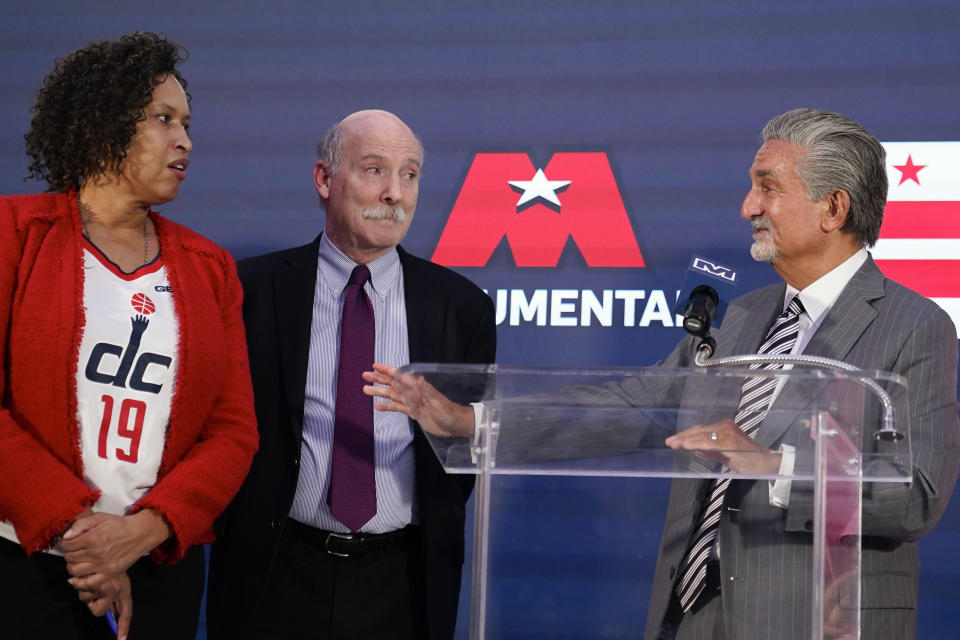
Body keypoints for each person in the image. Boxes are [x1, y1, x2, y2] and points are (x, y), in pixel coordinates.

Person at [367, 108, 960, 640]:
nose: (747, 207)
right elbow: (632, 405)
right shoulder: (744, 316)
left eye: (767, 188)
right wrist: (473, 422)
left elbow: (917, 496)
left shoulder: (915, 325)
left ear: (834, 207)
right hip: (692, 619)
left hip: (816, 622)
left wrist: (774, 465)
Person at [0, 32, 258, 640]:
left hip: (158, 567)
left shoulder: (210, 268)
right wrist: (86, 539)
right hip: (21, 563)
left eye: (187, 124)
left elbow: (233, 430)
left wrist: (142, 532)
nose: (185, 141)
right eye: (163, 120)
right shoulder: (14, 234)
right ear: (102, 126)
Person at [206, 109, 496, 640]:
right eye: (374, 170)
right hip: (274, 572)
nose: (395, 193)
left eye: (410, 175)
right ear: (324, 179)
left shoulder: (461, 307)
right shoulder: (250, 290)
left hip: (405, 582)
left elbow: (466, 461)